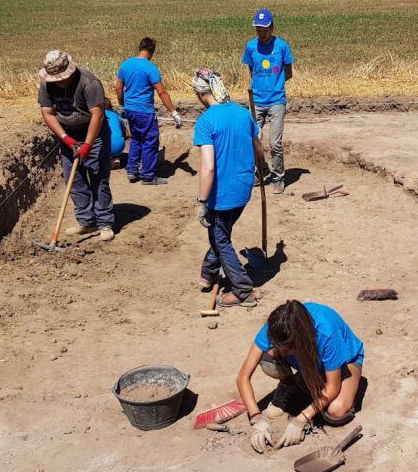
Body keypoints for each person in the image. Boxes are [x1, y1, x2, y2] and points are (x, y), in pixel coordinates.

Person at [236, 300, 365, 453]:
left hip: (346, 362)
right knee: (268, 357)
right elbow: (243, 377)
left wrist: (301, 419)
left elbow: (333, 387)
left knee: (336, 411)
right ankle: (290, 384)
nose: (282, 354)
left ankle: (336, 384)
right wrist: (256, 418)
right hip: (310, 361)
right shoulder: (275, 327)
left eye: (287, 349)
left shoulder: (327, 333)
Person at [191, 68, 263, 308]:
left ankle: (243, 291)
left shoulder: (206, 121)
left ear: (201, 94)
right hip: (244, 188)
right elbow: (258, 147)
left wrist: (202, 201)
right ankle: (208, 273)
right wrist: (261, 167)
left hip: (222, 193)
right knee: (220, 232)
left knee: (221, 239)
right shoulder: (243, 113)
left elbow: (208, 167)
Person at [37, 50, 115, 241]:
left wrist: (88, 144)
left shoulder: (89, 83)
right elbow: (47, 112)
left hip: (94, 136)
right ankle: (86, 222)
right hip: (68, 137)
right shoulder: (47, 85)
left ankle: (104, 222)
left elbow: (98, 115)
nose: (57, 81)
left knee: (98, 178)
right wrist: (65, 137)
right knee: (75, 180)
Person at [116, 37, 182, 185]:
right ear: (152, 51)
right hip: (145, 111)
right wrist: (173, 112)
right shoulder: (150, 68)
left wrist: (122, 104)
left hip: (130, 110)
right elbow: (162, 92)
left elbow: (119, 87)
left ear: (140, 48)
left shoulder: (125, 65)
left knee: (136, 139)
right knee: (150, 141)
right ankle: (148, 176)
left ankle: (132, 171)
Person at [242, 9, 293, 195]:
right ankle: (260, 171)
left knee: (275, 143)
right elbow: (251, 69)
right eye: (258, 30)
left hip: (277, 101)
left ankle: (279, 177)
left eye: (264, 30)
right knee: (251, 140)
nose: (261, 33)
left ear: (272, 28)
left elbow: (288, 72)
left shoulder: (282, 46)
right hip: (256, 102)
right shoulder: (250, 47)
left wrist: (274, 85)